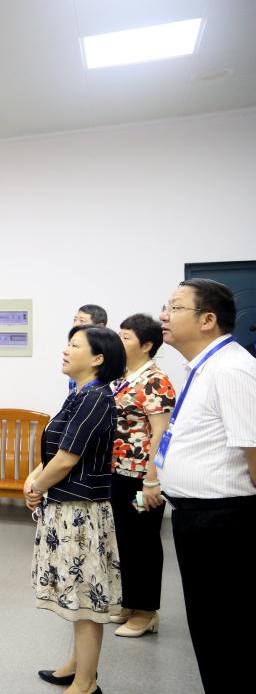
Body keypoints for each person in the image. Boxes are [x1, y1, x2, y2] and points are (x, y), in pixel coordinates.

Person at [156, 278, 256, 692]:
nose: (163, 315)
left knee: (227, 634)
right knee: (211, 630)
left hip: (224, 522)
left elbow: (254, 450)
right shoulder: (205, 367)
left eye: (175, 307)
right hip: (198, 518)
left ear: (207, 320)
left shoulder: (231, 369)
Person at [26, 325, 125, 694]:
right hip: (66, 506)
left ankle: (85, 683)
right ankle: (76, 666)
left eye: (75, 345)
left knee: (85, 599)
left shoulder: (95, 398)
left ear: (97, 358)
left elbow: (67, 459)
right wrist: (35, 479)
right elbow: (57, 450)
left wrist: (37, 486)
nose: (66, 350)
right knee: (76, 595)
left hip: (80, 512)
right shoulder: (80, 394)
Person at [109, 314, 176, 637]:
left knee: (143, 540)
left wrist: (152, 480)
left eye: (126, 337)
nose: (119, 341)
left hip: (141, 478)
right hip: (118, 473)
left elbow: (161, 434)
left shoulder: (155, 380)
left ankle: (147, 612)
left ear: (147, 345)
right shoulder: (122, 376)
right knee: (124, 538)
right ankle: (130, 603)